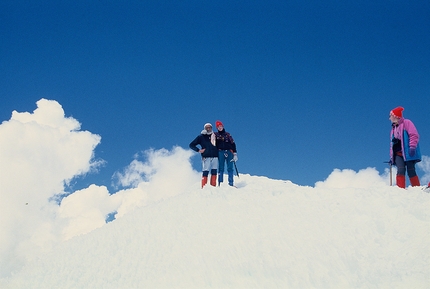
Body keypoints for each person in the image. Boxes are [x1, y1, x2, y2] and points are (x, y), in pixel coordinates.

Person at [389, 106, 421, 188]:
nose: (389, 118)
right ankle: (400, 190)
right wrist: (392, 157)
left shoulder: (407, 123)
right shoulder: (393, 128)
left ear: (395, 116)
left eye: (390, 116)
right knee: (400, 170)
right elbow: (392, 144)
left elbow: (414, 135)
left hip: (408, 151)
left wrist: (412, 147)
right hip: (398, 153)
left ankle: (416, 188)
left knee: (411, 170)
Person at [189, 123, 219, 188]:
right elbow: (191, 145)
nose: (208, 129)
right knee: (205, 172)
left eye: (209, 127)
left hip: (215, 156)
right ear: (204, 128)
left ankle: (213, 186)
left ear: (211, 128)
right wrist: (198, 150)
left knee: (214, 171)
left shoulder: (215, 135)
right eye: (207, 127)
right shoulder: (201, 137)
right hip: (206, 157)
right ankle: (204, 187)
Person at [214, 120, 238, 186]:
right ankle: (220, 183)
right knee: (221, 167)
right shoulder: (215, 135)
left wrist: (235, 153)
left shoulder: (227, 134)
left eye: (221, 126)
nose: (220, 127)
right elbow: (213, 143)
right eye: (218, 126)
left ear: (223, 126)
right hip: (220, 152)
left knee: (230, 167)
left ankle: (231, 183)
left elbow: (233, 143)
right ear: (217, 128)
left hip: (229, 152)